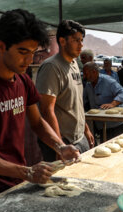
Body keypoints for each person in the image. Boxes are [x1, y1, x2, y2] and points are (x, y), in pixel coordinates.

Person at [0, 9, 80, 206]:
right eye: (23, 52)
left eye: (33, 52)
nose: (29, 60)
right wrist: (27, 171)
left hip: (16, 181)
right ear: (1, 46)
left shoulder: (23, 81)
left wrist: (60, 146)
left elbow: (38, 123)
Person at [36, 20, 94, 162]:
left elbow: (77, 103)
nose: (81, 45)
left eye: (81, 40)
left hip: (78, 138)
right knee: (62, 183)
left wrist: (85, 129)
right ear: (62, 41)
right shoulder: (52, 67)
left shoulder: (74, 64)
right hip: (61, 141)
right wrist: (59, 146)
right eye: (76, 40)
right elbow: (46, 110)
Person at [83, 62, 123, 142]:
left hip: (116, 125)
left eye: (86, 74)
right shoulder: (88, 85)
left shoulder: (108, 81)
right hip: (101, 125)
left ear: (94, 72)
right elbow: (83, 99)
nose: (84, 76)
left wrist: (112, 104)